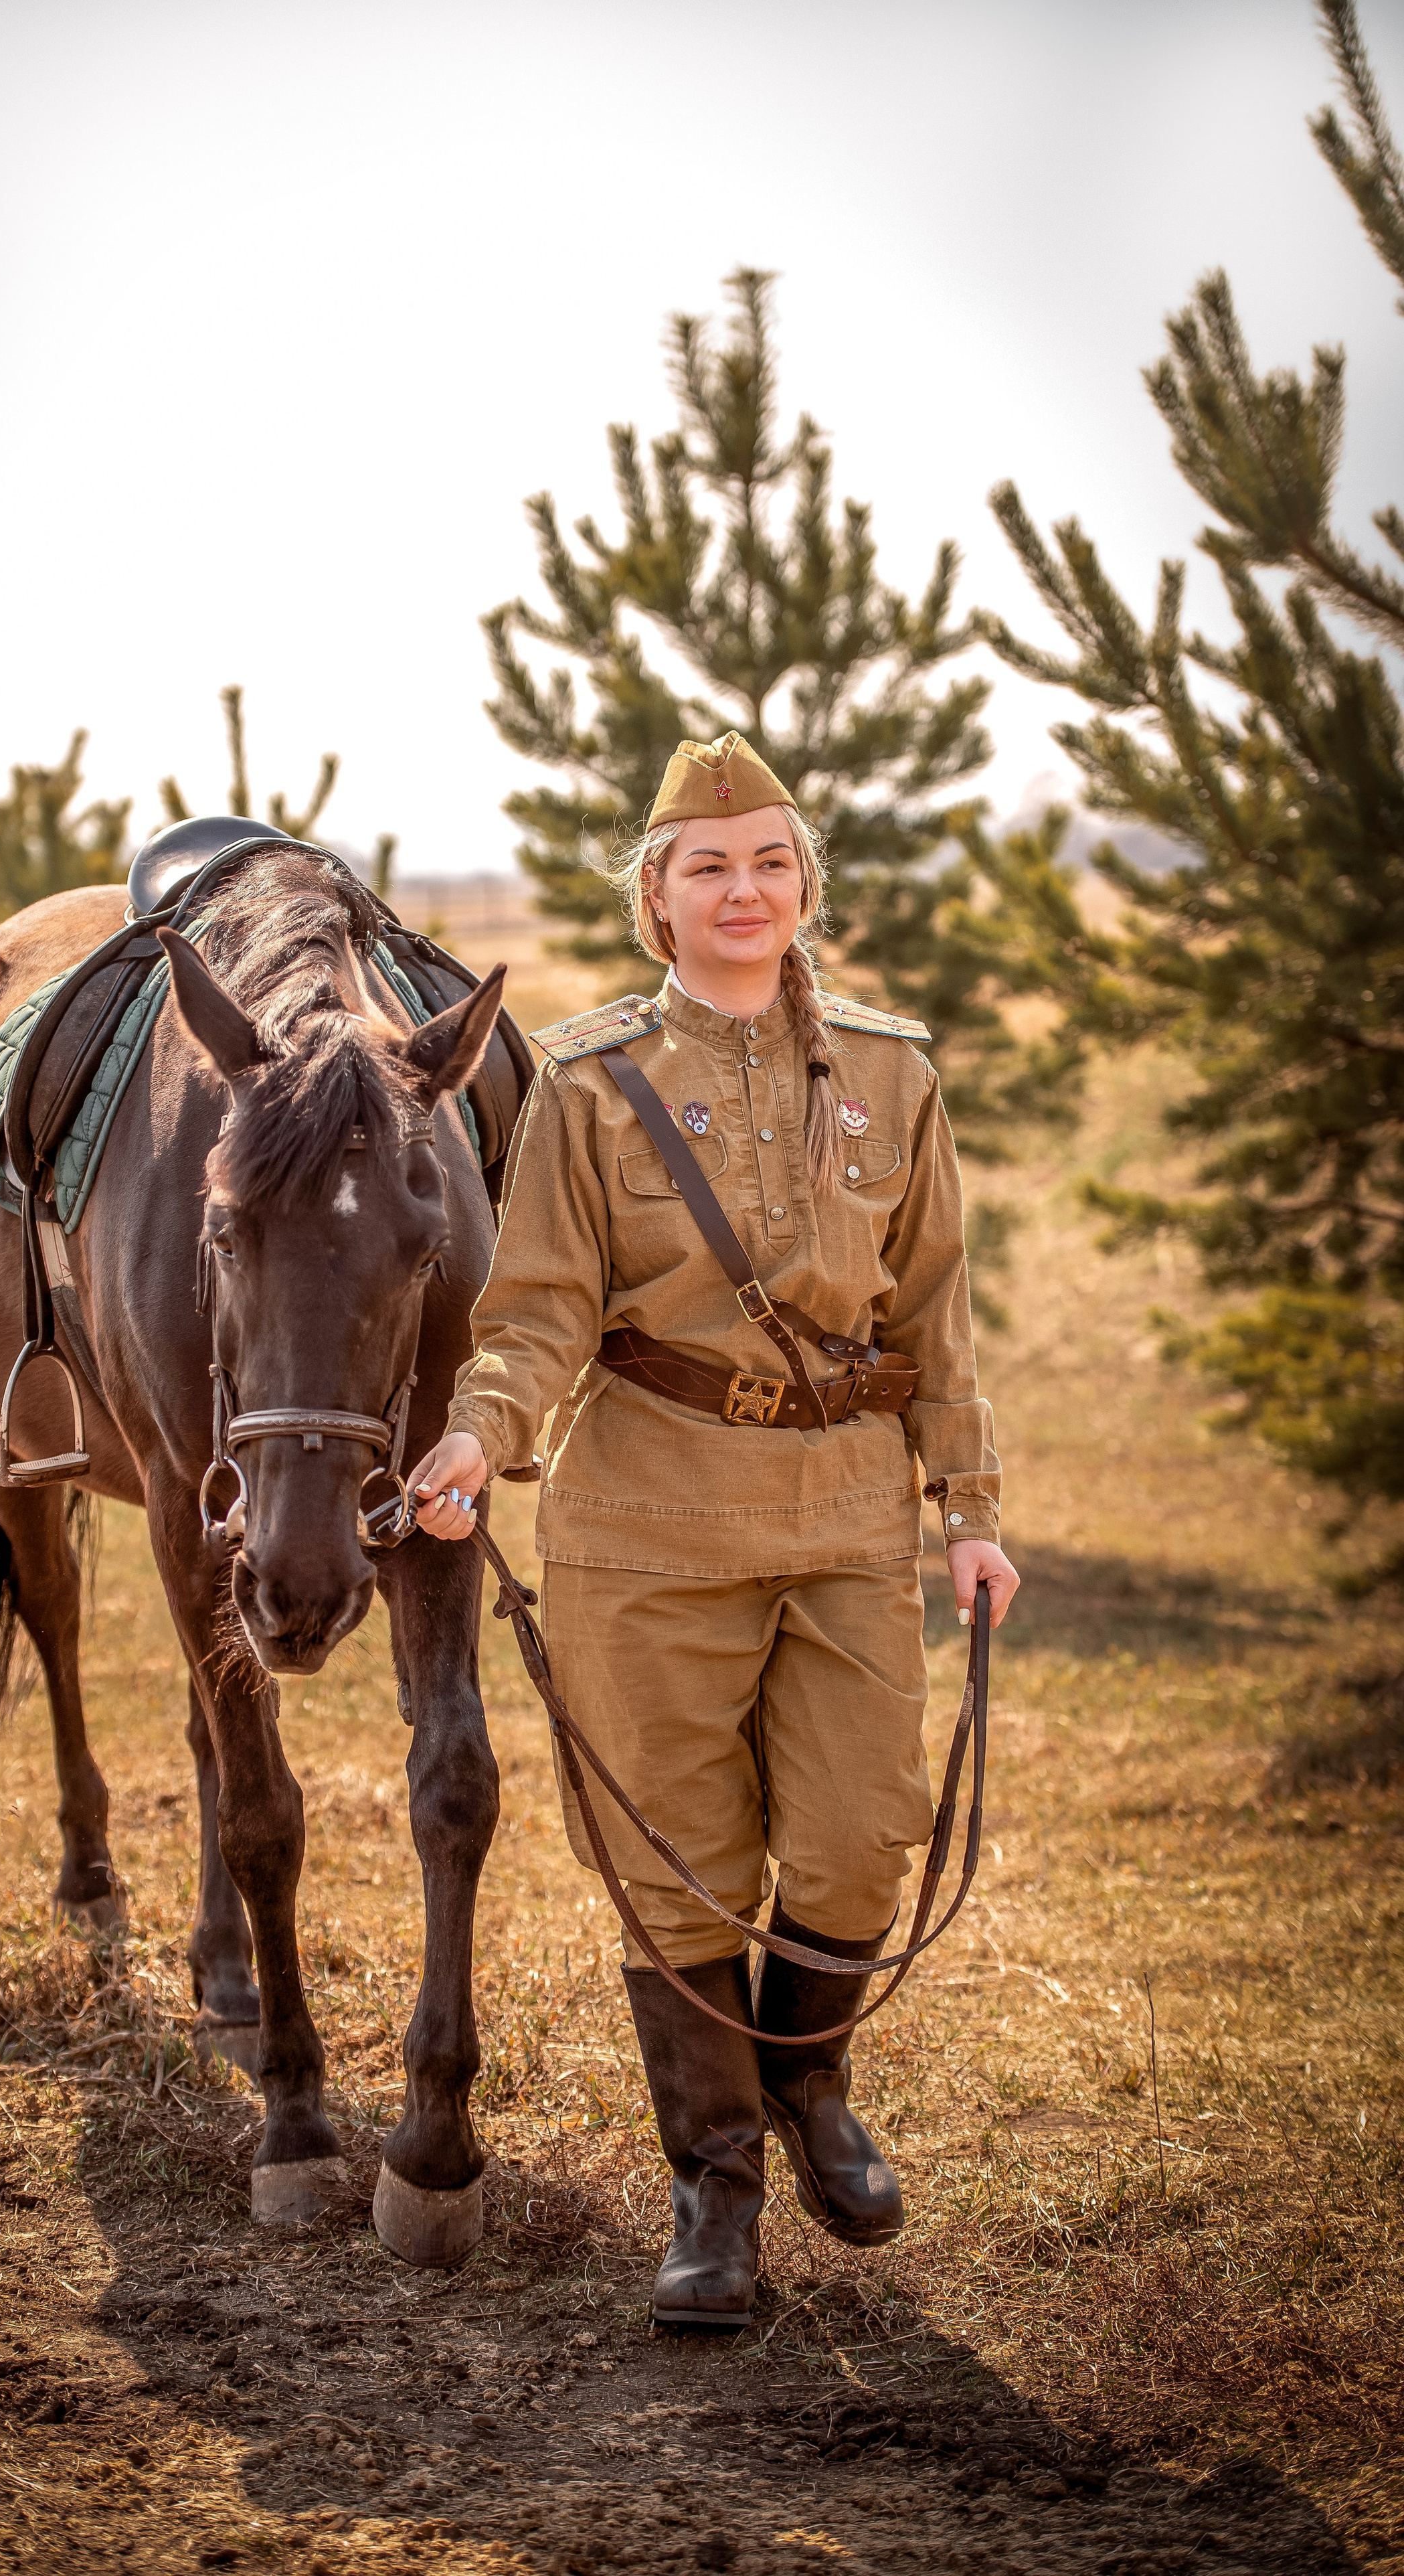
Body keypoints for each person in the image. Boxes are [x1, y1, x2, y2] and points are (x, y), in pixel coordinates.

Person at [408, 731, 1019, 2330]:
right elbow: (535, 1307)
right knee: (674, 1862)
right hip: (645, 1515)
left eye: (766, 862)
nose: (740, 890)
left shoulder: (893, 1070)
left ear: (802, 884)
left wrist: (968, 1510)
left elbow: (935, 1305)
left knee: (856, 1831)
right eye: (705, 866)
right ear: (655, 901)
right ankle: (715, 2187)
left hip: (839, 1509)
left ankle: (809, 2088)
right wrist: (480, 1432)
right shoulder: (589, 1080)